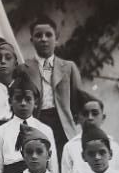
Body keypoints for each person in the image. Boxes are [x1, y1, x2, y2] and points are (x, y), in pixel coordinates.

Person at [23, 16, 83, 151]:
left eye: (48, 35)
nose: (44, 39)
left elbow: (77, 102)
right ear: (32, 40)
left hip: (62, 124)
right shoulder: (24, 68)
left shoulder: (68, 67)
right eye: (38, 35)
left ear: (56, 39)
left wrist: (71, 121)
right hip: (37, 122)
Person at [0, 72, 59, 173]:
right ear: (10, 102)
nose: (23, 103)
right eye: (18, 99)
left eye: (28, 99)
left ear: (35, 102)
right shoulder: (1, 131)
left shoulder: (45, 130)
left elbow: (53, 167)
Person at [60, 89, 119, 173]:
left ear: (103, 117)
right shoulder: (70, 146)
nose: (90, 118)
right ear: (77, 118)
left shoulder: (113, 145)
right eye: (85, 114)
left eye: (95, 113)